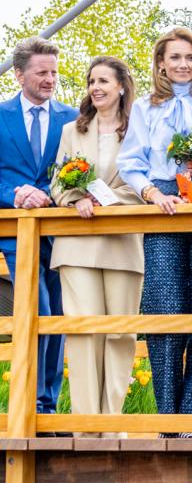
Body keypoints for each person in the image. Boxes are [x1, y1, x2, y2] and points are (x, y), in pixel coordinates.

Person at [118, 27, 192, 434]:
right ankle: (168, 419)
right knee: (164, 309)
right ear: (161, 63)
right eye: (174, 58)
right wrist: (151, 194)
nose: (182, 64)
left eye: (189, 57)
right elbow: (130, 162)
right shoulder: (146, 108)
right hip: (162, 202)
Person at [50, 56, 143, 432]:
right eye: (92, 81)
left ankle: (112, 422)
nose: (96, 88)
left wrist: (109, 201)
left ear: (121, 86)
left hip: (122, 244)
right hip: (77, 246)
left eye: (104, 80)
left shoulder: (139, 129)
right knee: (85, 331)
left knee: (119, 333)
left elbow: (146, 183)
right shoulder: (73, 130)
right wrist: (76, 198)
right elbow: (58, 182)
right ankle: (86, 424)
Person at [0, 36, 77, 422]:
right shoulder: (0, 116)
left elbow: (79, 166)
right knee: (38, 309)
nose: (50, 79)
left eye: (54, 72)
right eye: (41, 72)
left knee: (58, 316)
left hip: (61, 232)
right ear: (19, 75)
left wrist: (44, 191)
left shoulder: (72, 117)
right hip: (16, 233)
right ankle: (30, 405)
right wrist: (15, 193)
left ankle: (47, 407)